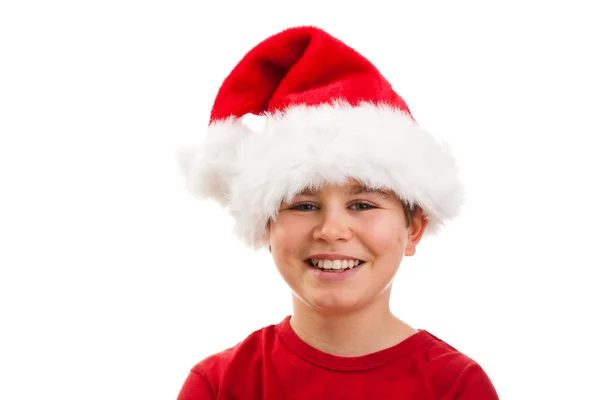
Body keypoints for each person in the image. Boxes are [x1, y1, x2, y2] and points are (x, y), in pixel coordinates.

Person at [176, 25, 499, 399]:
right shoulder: (219, 385)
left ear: (413, 229)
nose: (331, 229)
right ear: (266, 226)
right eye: (303, 205)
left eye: (362, 205)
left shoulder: (456, 387)